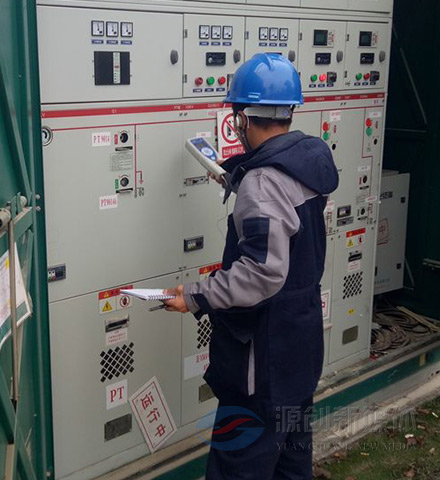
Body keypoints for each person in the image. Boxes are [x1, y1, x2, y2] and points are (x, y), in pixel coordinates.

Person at [163, 53, 339, 479]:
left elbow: (262, 272)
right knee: (291, 464)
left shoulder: (262, 183)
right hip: (300, 346)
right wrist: (238, 178)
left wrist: (196, 296)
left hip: (263, 360)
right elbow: (284, 216)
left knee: (239, 468)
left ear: (242, 118)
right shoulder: (308, 159)